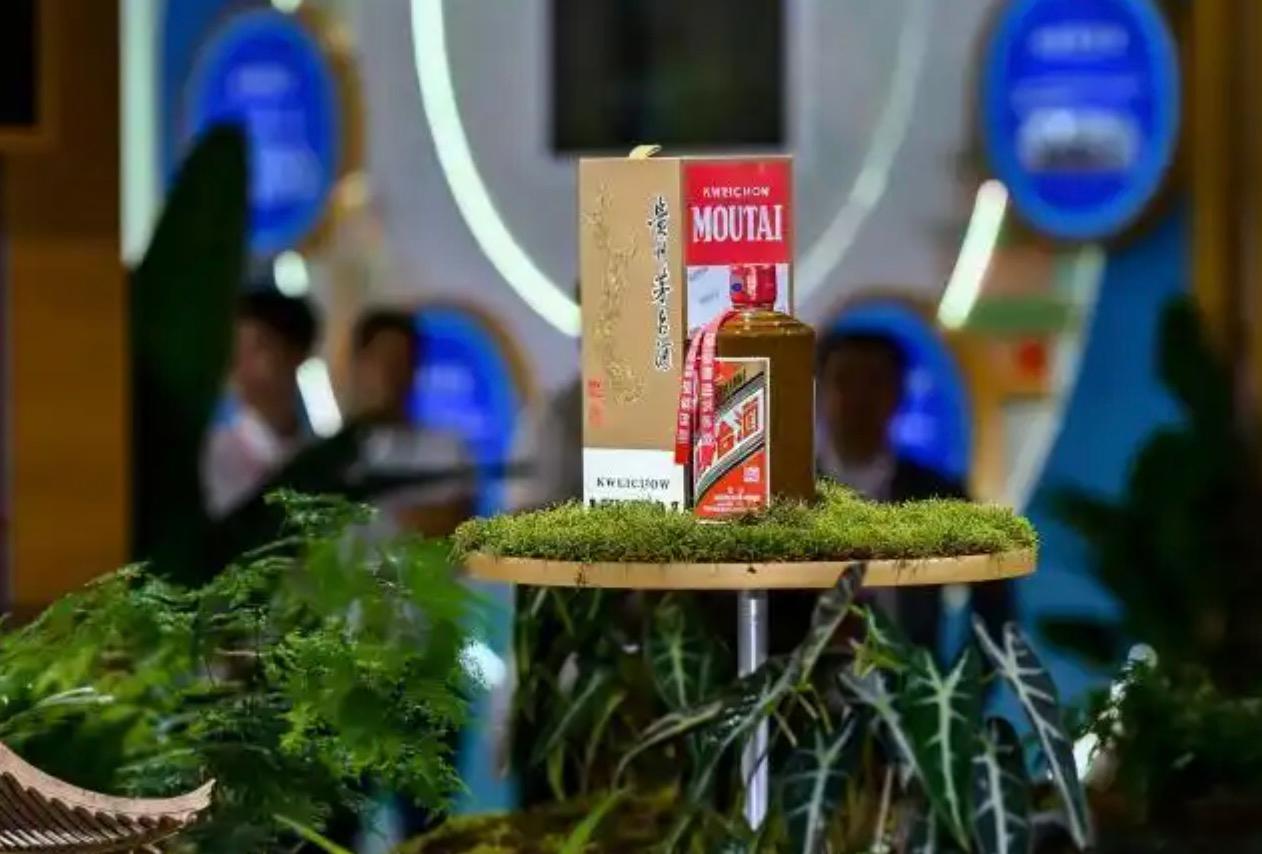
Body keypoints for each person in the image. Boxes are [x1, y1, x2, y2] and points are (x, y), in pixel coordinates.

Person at [810, 328, 1013, 657]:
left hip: (909, 681)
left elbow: (995, 597)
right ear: (818, 393)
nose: (859, 398)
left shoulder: (936, 495)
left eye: (875, 382)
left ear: (899, 394)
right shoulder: (786, 495)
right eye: (845, 380)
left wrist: (962, 682)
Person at [349, 308, 475, 538]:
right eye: (381, 360)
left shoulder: (447, 451)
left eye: (400, 362)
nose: (389, 375)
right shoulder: (325, 458)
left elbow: (457, 524)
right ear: (358, 365)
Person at [202, 291, 319, 520]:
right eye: (236, 349)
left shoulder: (324, 459)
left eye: (257, 347)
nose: (241, 363)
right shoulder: (213, 455)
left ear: (297, 354)